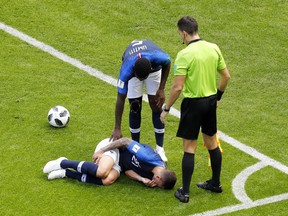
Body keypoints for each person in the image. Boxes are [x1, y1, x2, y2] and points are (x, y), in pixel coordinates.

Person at [160, 16, 231, 203]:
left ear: (184, 33)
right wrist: (218, 97)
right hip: (210, 102)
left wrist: (166, 108)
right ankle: (215, 183)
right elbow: (226, 76)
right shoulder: (213, 47)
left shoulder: (185, 55)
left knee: (189, 147)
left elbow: (177, 87)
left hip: (193, 104)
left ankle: (184, 192)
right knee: (211, 143)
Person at [111, 39, 171, 162]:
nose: (142, 80)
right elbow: (120, 99)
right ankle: (135, 147)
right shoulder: (126, 70)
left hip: (154, 70)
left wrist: (162, 88)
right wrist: (117, 127)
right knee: (134, 106)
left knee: (156, 104)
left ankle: (160, 148)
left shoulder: (158, 57)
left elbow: (168, 62)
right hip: (134, 65)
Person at [43, 138, 177, 189]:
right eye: (157, 184)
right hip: (113, 147)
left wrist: (142, 179)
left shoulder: (154, 173)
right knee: (102, 172)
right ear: (159, 178)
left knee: (107, 180)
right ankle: (63, 162)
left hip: (119, 164)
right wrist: (101, 151)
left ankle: (66, 173)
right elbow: (125, 141)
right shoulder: (148, 157)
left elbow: (128, 171)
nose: (155, 185)